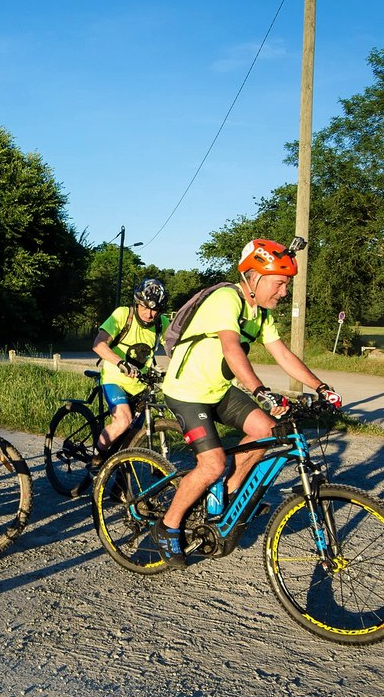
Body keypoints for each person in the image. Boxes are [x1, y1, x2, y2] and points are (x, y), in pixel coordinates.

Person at [157, 238, 342, 569]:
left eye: (287, 285)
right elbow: (232, 348)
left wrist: (321, 386)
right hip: (187, 391)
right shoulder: (226, 299)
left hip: (218, 390)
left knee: (270, 430)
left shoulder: (260, 313)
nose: (284, 292)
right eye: (280, 283)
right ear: (254, 278)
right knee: (211, 463)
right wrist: (259, 389)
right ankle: (168, 525)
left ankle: (230, 492)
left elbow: (282, 353)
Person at [88, 278, 169, 462]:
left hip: (139, 385)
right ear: (137, 302)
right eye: (145, 307)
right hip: (114, 379)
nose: (150, 314)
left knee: (132, 440)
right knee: (123, 420)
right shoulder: (124, 315)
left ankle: (120, 486)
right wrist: (121, 363)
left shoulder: (161, 323)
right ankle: (96, 458)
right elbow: (98, 345)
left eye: (155, 310)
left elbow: (175, 349)